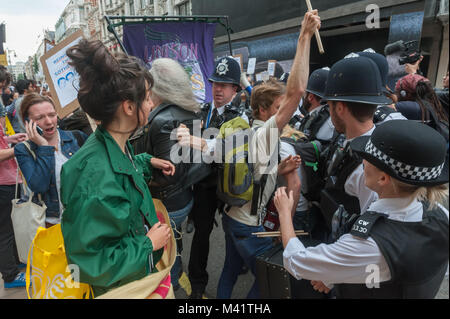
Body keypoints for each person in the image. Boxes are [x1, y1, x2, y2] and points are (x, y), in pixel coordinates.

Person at [275, 119, 449, 298]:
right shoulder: (441, 215)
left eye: (368, 158)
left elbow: (296, 260)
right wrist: (339, 273)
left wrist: (285, 213)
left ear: (383, 179)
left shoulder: (371, 245)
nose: (363, 162)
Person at [214, 10, 320, 299]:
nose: (283, 114)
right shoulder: (266, 134)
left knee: (229, 271)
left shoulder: (245, 129)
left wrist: (278, 171)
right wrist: (305, 35)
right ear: (263, 110)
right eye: (277, 109)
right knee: (268, 280)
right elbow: (297, 90)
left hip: (230, 216)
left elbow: (253, 171)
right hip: (248, 226)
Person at [61, 39, 174, 297]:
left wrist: (146, 162)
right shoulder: (92, 176)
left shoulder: (114, 141)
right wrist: (148, 246)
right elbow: (88, 263)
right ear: (129, 106)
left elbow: (120, 174)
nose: (151, 105)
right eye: (146, 98)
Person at [131, 57, 202, 294]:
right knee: (174, 242)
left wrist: (139, 178)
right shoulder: (190, 111)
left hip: (166, 202)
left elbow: (168, 173)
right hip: (183, 197)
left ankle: (174, 286)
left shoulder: (162, 120)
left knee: (165, 257)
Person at [182, 55, 249, 299]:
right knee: (201, 234)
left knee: (235, 231)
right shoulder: (202, 111)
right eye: (214, 83)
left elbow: (225, 148)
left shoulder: (240, 117)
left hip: (230, 183)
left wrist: (197, 142)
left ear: (235, 89)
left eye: (224, 85)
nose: (217, 89)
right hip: (205, 185)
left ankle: (240, 264)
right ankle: (198, 282)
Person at [319, 55, 392, 236]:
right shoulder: (352, 142)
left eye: (329, 105)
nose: (329, 112)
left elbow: (371, 228)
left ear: (340, 108)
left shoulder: (367, 166)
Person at [14, 93, 88, 227]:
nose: (48, 121)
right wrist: (44, 147)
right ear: (27, 122)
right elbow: (39, 186)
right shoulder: (23, 150)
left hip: (85, 219)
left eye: (52, 115)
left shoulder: (77, 138)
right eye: (40, 118)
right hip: (53, 225)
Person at [0, 86, 28, 289]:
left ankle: (15, 263)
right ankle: (9, 275)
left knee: (11, 227)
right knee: (5, 231)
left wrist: (10, 140)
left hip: (8, 180)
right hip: (2, 183)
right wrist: (17, 149)